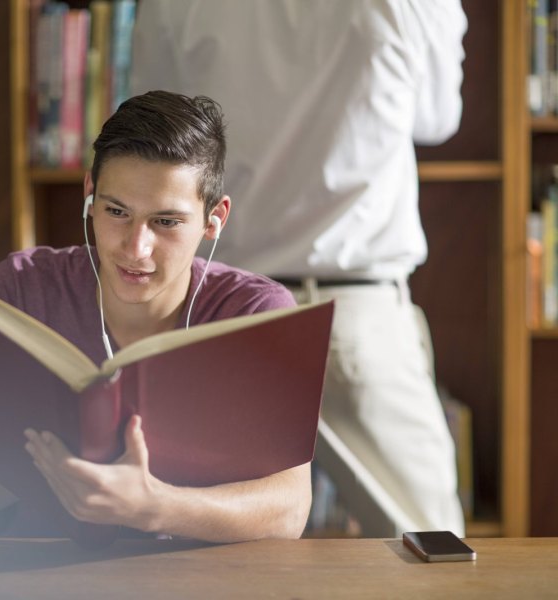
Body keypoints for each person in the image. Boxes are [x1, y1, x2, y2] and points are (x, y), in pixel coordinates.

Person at [129, 0, 467, 535]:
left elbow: (147, 134)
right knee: (433, 558)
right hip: (355, 313)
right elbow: (438, 117)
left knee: (216, 555)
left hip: (223, 313)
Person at [0, 90, 312, 543]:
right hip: (45, 574)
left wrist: (154, 508)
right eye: (116, 211)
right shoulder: (24, 289)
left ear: (213, 219)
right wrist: (53, 460)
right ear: (90, 194)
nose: (135, 248)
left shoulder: (256, 313)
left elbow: (289, 512)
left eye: (166, 222)